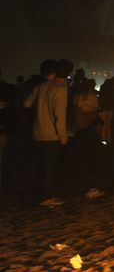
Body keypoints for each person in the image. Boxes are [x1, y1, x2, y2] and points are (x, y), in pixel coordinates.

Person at [23, 59, 71, 206]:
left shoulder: (41, 86)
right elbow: (60, 117)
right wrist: (63, 136)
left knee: (37, 166)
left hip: (37, 132)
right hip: (52, 136)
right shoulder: (60, 90)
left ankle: (35, 195)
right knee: (48, 168)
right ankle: (46, 197)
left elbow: (26, 104)